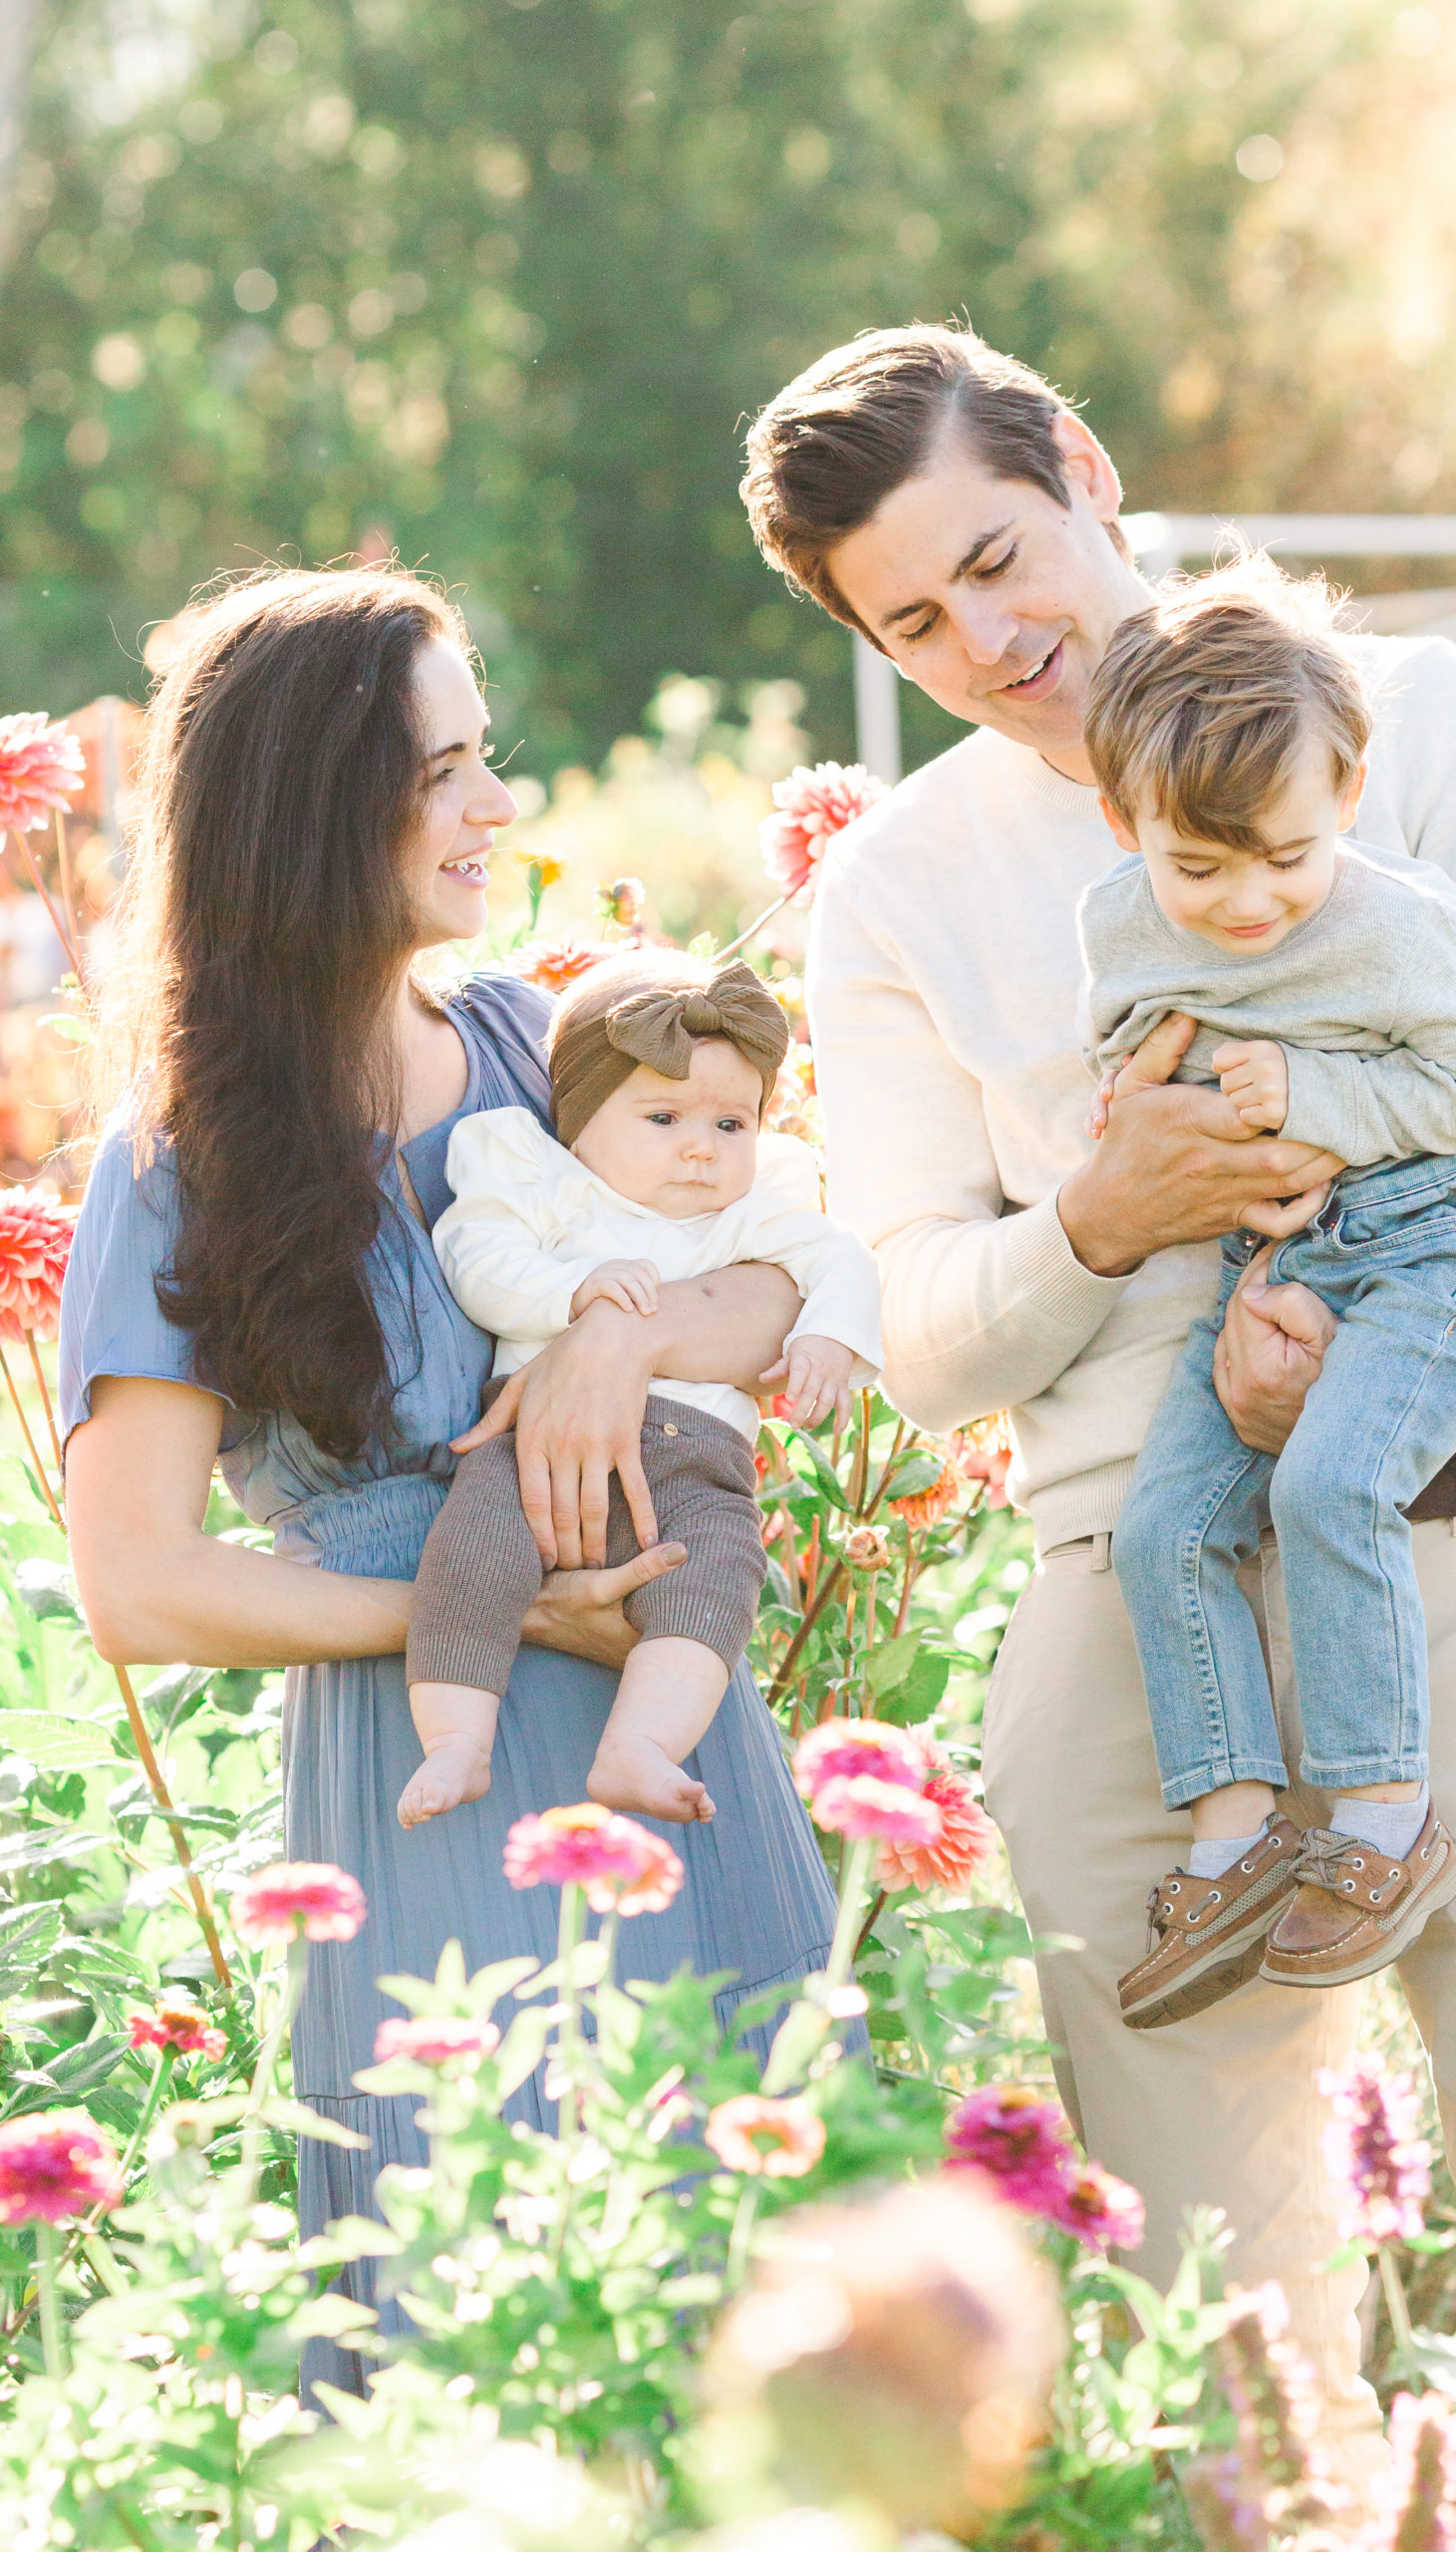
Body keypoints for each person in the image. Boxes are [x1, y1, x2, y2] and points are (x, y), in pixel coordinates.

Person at [742, 324, 1456, 2511]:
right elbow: (921, 1327)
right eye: (916, 618)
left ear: (1081, 467)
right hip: (1135, 1619)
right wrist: (1091, 1215)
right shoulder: (900, 885)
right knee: (1218, 2363)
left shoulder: (1427, 723)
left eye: (1000, 555)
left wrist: (1394, 1379)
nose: (993, 637)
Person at [59, 565, 845, 2397]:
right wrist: (490, 1605)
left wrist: (618, 1339)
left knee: (756, 2312)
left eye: (489, 757)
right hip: (438, 1750)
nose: (497, 805)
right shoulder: (184, 1158)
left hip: (673, 1732)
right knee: (485, 2322)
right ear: (320, 806)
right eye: (447, 769)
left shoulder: (527, 1040)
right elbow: (139, 1584)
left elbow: (776, 1271)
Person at [1080, 562, 1456, 2023]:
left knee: (1324, 1490)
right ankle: (1232, 1834)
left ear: (1343, 790)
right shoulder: (1119, 921)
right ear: (1122, 825)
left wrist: (1319, 1095)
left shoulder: (1400, 923)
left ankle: (1382, 1829)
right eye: (1193, 870)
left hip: (1428, 1246)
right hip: (1262, 1257)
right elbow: (1126, 1056)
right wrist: (1152, 1116)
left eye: (1280, 855)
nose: (1245, 903)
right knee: (1156, 1527)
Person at [403, 947, 882, 1829]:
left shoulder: (756, 1206)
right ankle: (455, 1739)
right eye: (662, 1116)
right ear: (579, 1120)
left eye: (730, 1125)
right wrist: (568, 1294)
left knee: (714, 1586)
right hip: (526, 1457)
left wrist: (828, 1335)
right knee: (472, 1557)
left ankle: (642, 1745)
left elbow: (840, 1258)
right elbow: (478, 1256)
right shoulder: (541, 1179)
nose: (700, 1148)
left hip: (697, 1469)